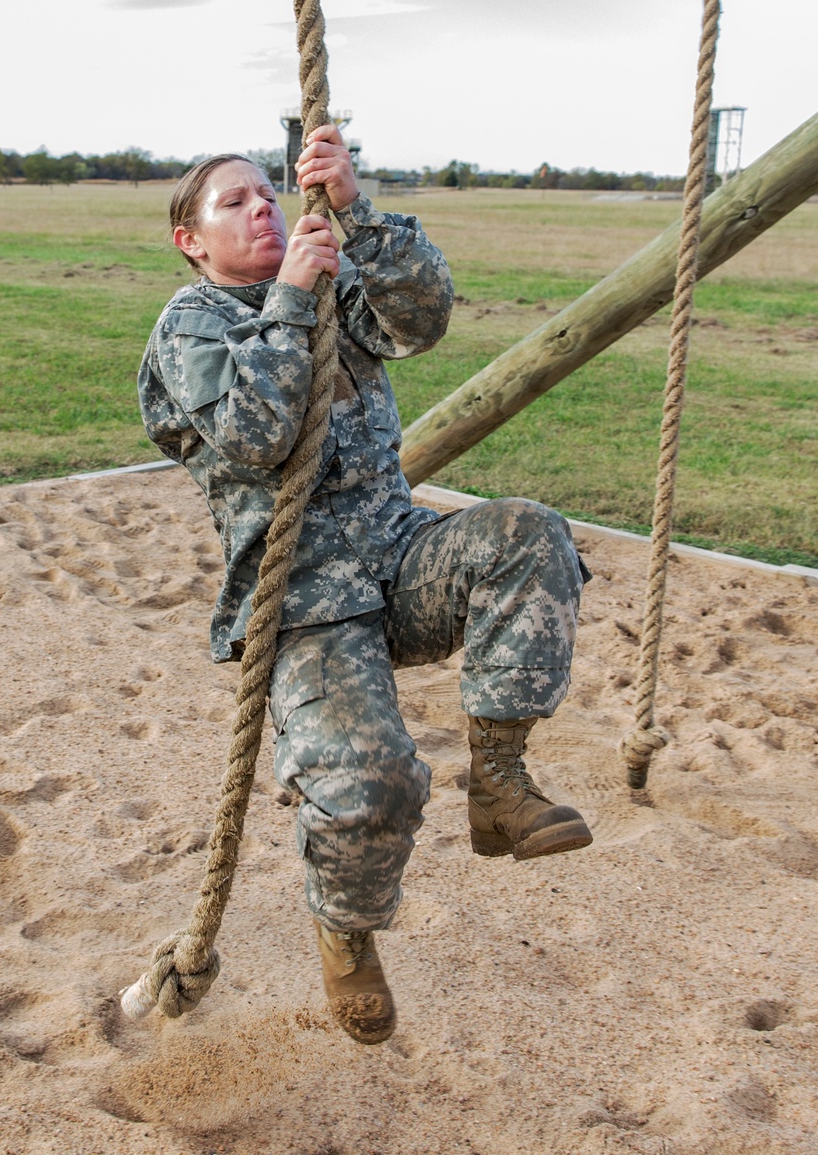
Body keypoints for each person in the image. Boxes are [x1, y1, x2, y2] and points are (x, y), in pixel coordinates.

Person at [138, 125, 591, 1045]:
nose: (262, 208)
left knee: (527, 535)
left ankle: (500, 783)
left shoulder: (334, 286)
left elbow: (423, 317)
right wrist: (294, 295)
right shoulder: (194, 324)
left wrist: (357, 210)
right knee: (375, 784)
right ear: (192, 240)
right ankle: (345, 932)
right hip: (303, 600)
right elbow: (258, 436)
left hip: (398, 556)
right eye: (235, 203)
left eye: (269, 193)